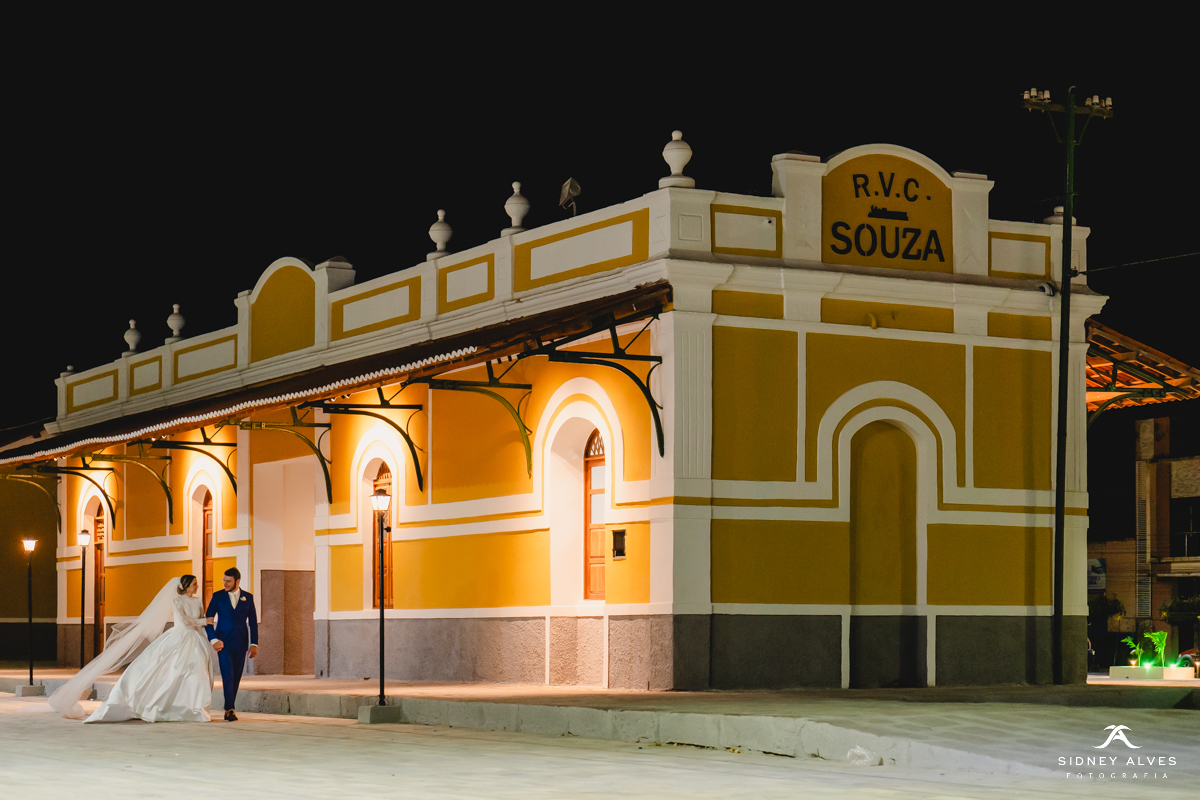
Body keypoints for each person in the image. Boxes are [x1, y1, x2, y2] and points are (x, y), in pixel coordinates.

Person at [49, 575, 216, 722]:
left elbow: (200, 619)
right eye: (194, 584)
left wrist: (206, 633)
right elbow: (185, 621)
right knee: (169, 670)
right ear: (186, 586)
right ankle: (167, 706)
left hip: (196, 640)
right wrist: (204, 621)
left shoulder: (198, 601)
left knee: (196, 673)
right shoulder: (177, 601)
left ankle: (193, 708)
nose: (197, 586)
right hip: (179, 637)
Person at [206, 566, 258, 722]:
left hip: (241, 642)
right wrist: (213, 639)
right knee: (228, 674)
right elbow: (208, 620)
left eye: (228, 581)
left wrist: (254, 643)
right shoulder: (218, 596)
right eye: (224, 580)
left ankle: (229, 706)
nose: (225, 583)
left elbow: (253, 623)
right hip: (223, 643)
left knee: (236, 676)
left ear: (237, 581)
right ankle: (229, 709)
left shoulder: (248, 597)